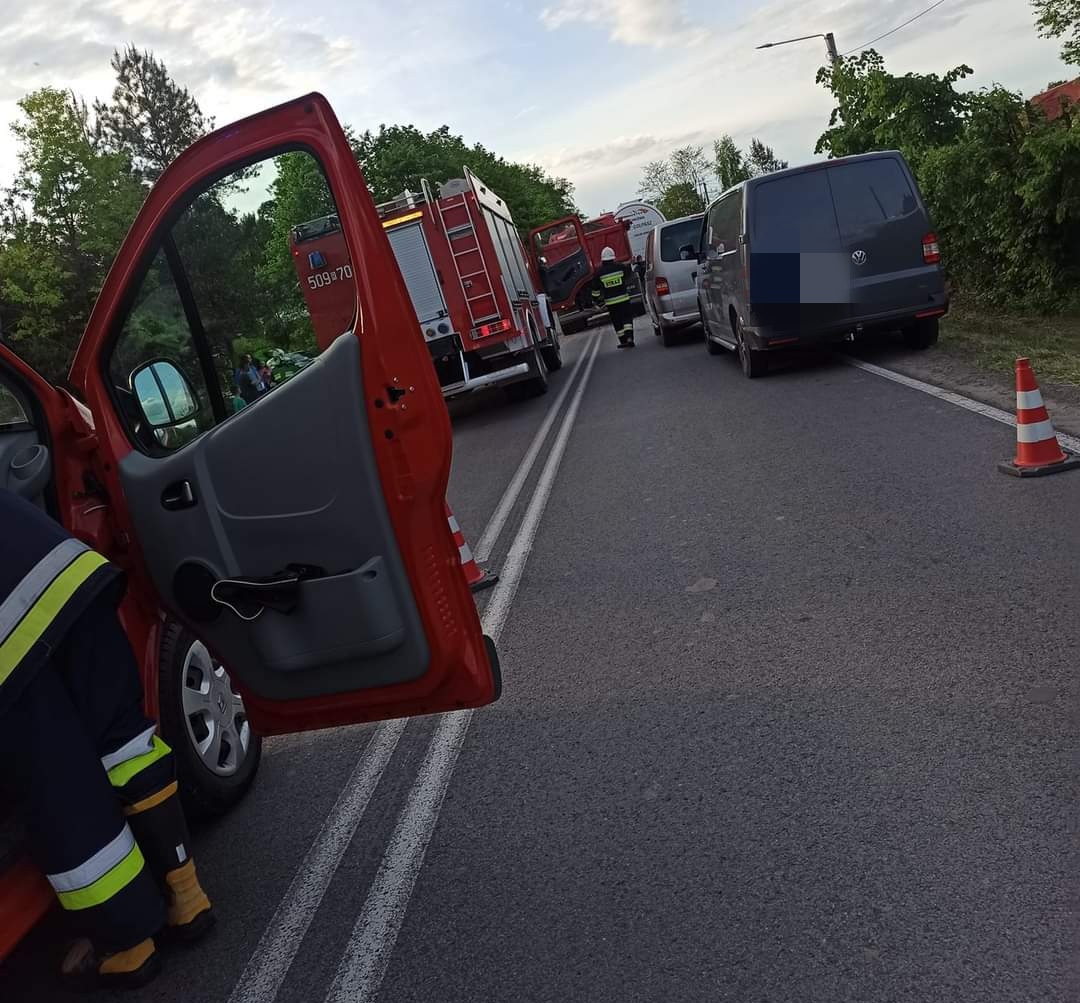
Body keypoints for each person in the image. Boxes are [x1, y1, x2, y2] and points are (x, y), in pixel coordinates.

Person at [0, 489, 213, 990]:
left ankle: (129, 942)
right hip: (69, 578)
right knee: (125, 740)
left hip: (9, 636)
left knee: (59, 788)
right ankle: (187, 894)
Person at [591, 246, 636, 348]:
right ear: (613, 257)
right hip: (624, 299)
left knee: (617, 320)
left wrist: (596, 301)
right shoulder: (620, 267)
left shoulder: (599, 273)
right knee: (627, 318)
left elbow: (595, 290)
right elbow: (628, 275)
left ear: (602, 259)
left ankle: (623, 341)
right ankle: (629, 338)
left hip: (611, 303)